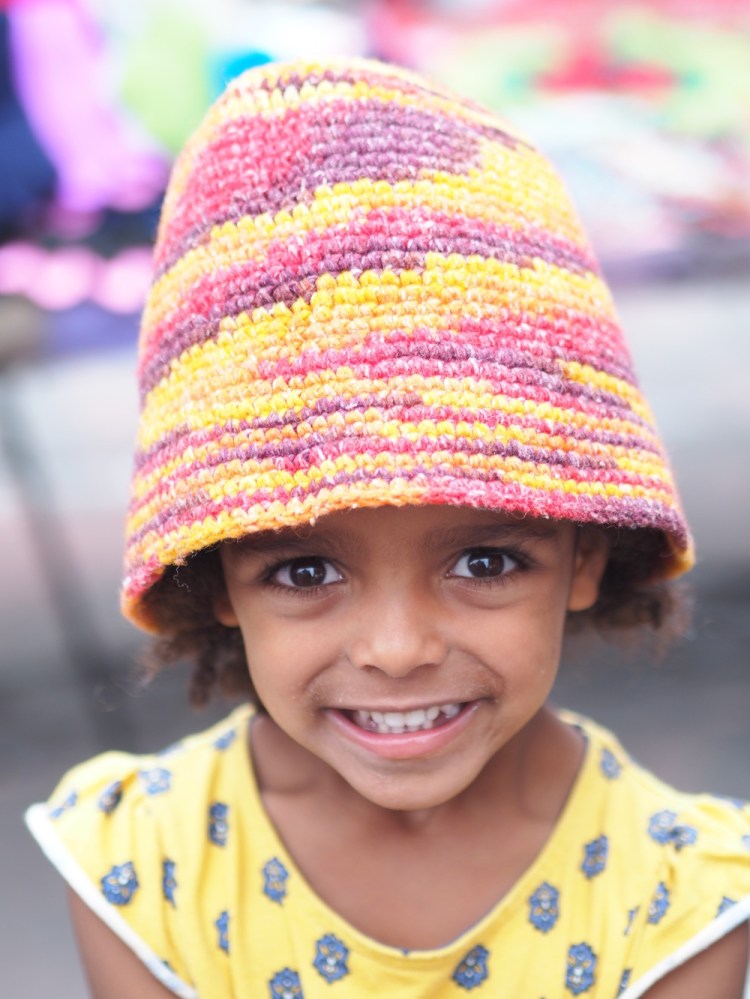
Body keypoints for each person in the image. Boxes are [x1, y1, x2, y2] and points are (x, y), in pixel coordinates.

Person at [25, 57, 750, 999]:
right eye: (304, 571)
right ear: (215, 576)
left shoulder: (683, 903)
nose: (398, 649)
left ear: (586, 555)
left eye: (484, 560)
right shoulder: (140, 869)